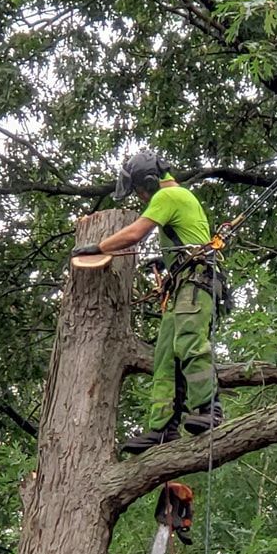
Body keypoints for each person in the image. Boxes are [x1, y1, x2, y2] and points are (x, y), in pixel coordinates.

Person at [95, 150, 226, 453]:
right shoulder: (175, 200)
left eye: (139, 190)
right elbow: (190, 236)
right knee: (165, 355)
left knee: (190, 341)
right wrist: (168, 262)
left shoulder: (169, 196)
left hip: (197, 282)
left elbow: (135, 233)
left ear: (150, 182)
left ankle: (210, 410)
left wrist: (97, 247)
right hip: (181, 283)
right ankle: (163, 428)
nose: (140, 198)